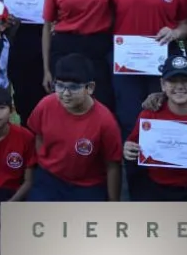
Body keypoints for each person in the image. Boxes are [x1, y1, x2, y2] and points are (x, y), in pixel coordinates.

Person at [109, 0, 187, 196]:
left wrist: (175, 31)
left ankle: (164, 187)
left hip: (162, 66)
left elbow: (186, 23)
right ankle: (135, 188)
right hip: (127, 66)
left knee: (162, 121)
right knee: (131, 122)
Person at [122, 55, 187, 202]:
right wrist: (128, 148)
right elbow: (132, 145)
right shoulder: (149, 114)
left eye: (186, 80)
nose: (179, 86)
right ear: (163, 85)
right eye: (172, 81)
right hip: (156, 190)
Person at [26, 54, 123, 202]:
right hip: (50, 179)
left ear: (90, 88)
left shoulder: (105, 121)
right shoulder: (45, 105)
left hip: (88, 186)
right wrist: (46, 163)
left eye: (73, 87)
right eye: (59, 86)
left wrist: (113, 202)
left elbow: (112, 164)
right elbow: (38, 136)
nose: (65, 93)